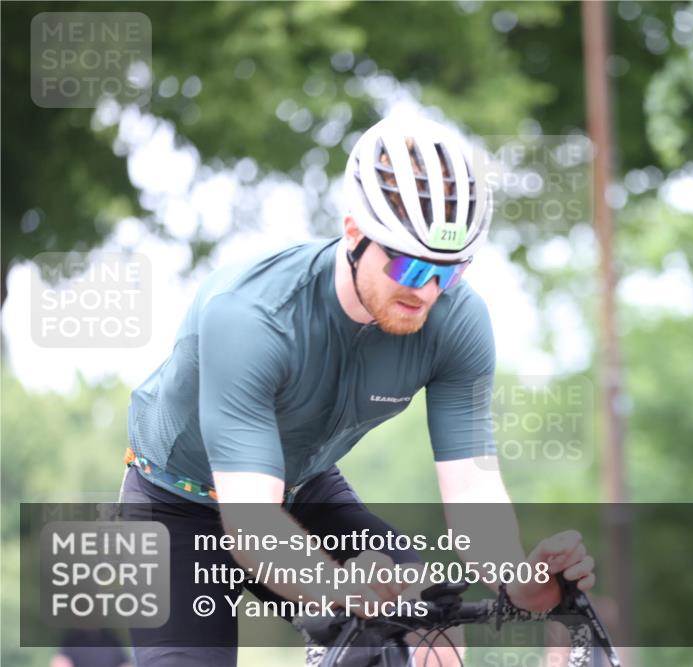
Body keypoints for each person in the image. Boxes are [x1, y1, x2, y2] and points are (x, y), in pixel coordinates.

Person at [117, 116, 596, 666]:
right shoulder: (252, 316)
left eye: (451, 270)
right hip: (176, 504)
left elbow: (471, 492)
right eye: (411, 267)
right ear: (352, 233)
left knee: (427, 627)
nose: (429, 291)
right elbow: (251, 522)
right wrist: (341, 592)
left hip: (302, 484)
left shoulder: (457, 321)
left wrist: (520, 583)